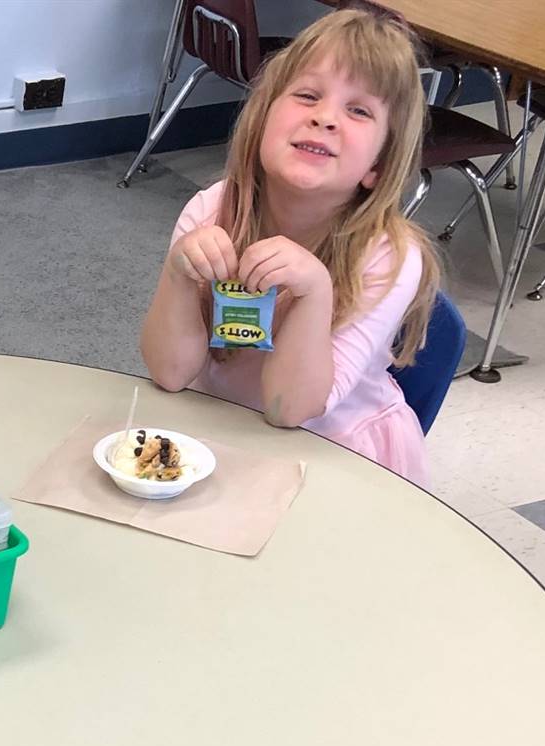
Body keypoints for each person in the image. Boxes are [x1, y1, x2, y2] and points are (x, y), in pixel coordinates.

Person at [139, 6, 443, 483]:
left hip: (334, 451)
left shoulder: (390, 256)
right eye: (307, 95)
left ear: (377, 166)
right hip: (217, 431)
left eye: (358, 110)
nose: (324, 118)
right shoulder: (210, 210)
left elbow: (290, 410)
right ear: (262, 120)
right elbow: (171, 374)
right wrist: (179, 275)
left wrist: (316, 291)